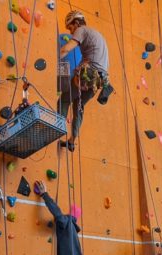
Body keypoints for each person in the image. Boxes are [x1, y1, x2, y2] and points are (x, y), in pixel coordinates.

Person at [57, 10, 113, 152]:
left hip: (89, 74)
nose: (71, 32)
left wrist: (55, 59)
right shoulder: (96, 35)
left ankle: (56, 128)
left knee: (64, 100)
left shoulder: (81, 30)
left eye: (70, 28)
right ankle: (72, 141)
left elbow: (67, 48)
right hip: (100, 81)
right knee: (78, 107)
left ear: (76, 23)